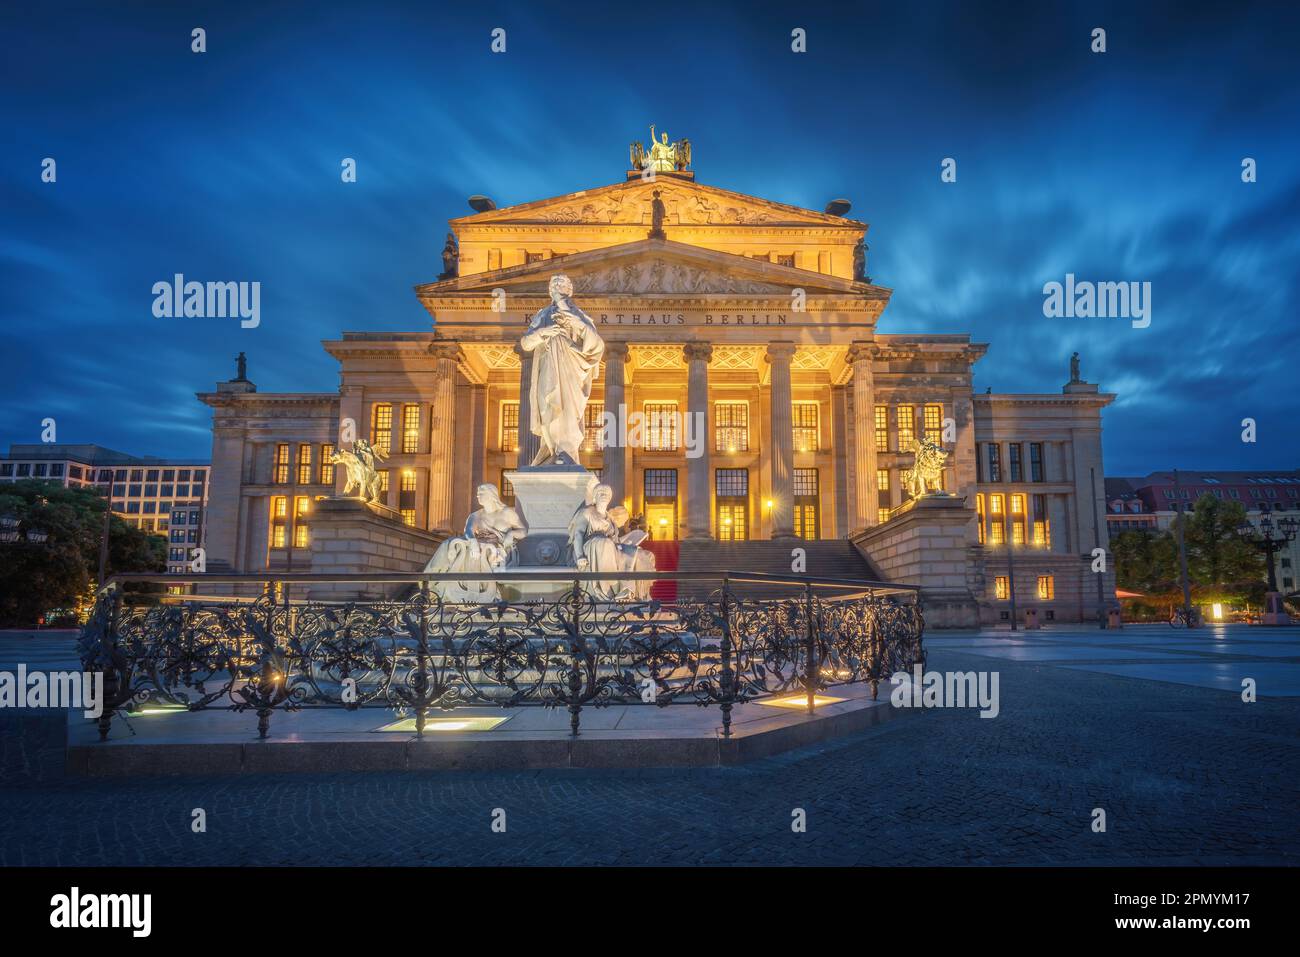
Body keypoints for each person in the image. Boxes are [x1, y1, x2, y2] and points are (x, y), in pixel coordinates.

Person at [423, 484, 526, 602]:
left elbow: (523, 530)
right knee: (447, 543)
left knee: (484, 551)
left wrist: (511, 534)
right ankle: (429, 581)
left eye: (481, 493)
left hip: (499, 548)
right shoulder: (476, 515)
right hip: (477, 545)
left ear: (491, 495)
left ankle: (487, 593)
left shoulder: (507, 512)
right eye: (477, 493)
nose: (477, 496)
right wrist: (472, 542)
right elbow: (468, 531)